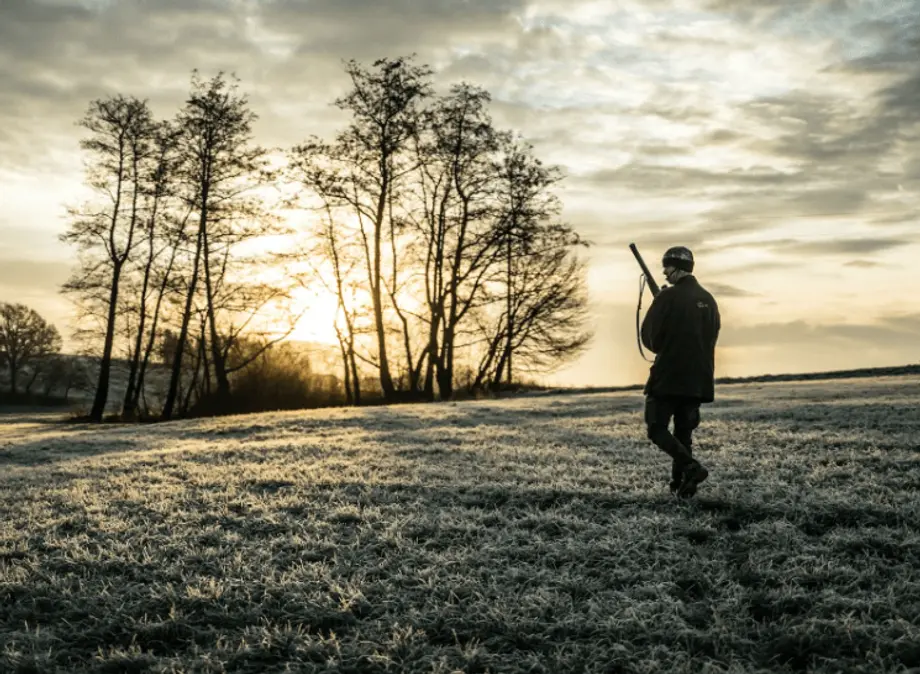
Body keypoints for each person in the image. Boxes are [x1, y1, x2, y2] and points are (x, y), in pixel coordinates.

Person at [640, 246, 721, 497]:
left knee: (656, 428)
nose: (663, 272)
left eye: (666, 267)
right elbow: (711, 336)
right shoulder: (708, 299)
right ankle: (680, 486)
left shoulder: (667, 297)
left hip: (669, 376)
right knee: (684, 433)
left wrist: (660, 306)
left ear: (676, 268)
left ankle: (690, 467)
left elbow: (651, 340)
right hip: (698, 378)